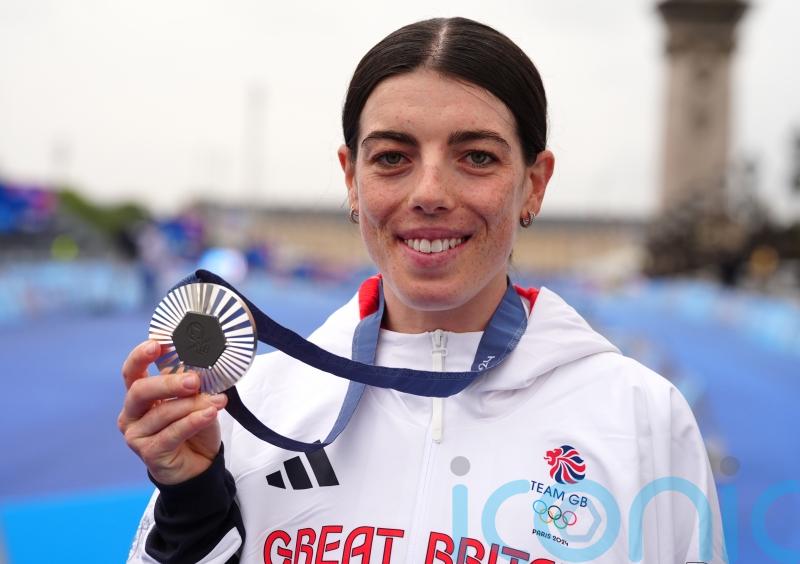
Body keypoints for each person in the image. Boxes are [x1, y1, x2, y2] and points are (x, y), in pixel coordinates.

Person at [121, 17, 727, 564]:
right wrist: (192, 502)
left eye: (477, 157)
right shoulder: (248, 409)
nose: (430, 192)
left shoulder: (641, 417)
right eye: (391, 158)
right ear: (351, 180)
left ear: (534, 184)